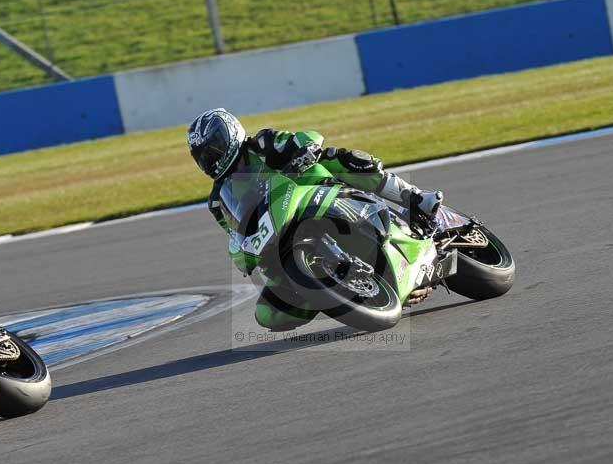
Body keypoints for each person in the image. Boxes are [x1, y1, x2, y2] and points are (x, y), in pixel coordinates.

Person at [187, 108, 444, 331]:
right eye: (203, 155)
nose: (211, 157)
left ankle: (415, 198)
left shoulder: (262, 144)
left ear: (231, 133)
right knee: (267, 314)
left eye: (214, 147)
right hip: (278, 235)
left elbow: (304, 139)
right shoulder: (216, 200)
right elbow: (235, 231)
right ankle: (333, 288)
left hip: (317, 194)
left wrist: (303, 150)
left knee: (340, 159)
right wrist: (243, 252)